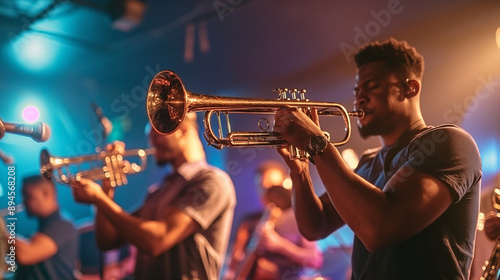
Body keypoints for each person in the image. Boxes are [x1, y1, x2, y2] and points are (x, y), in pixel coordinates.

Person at [272, 38, 482, 279]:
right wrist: (300, 170)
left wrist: (318, 144)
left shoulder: (448, 142)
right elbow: (315, 226)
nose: (359, 98)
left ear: (409, 88)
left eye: (372, 86)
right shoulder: (368, 162)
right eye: (356, 91)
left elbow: (380, 229)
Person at [70, 112, 237, 280]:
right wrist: (107, 188)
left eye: (158, 135)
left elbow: (157, 240)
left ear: (184, 131)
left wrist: (99, 198)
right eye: (150, 137)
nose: (152, 142)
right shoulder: (158, 192)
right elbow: (107, 240)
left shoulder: (212, 181)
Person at [223, 161, 323, 280]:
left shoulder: (299, 217)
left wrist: (279, 245)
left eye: (271, 186)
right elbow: (234, 259)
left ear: (284, 185)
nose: (267, 192)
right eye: (262, 187)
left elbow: (315, 260)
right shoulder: (249, 221)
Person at [15, 174, 79, 280]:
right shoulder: (42, 228)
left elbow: (25, 254)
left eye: (28, 196)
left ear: (46, 194)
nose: (23, 202)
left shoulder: (62, 225)